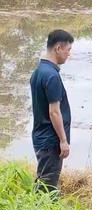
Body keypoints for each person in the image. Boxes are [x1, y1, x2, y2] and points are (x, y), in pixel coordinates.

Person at [31, 29, 74, 191]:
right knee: (47, 187)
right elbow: (54, 112)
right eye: (68, 50)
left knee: (43, 180)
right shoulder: (51, 76)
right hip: (50, 140)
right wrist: (63, 141)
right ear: (58, 48)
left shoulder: (39, 71)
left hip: (40, 135)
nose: (68, 54)